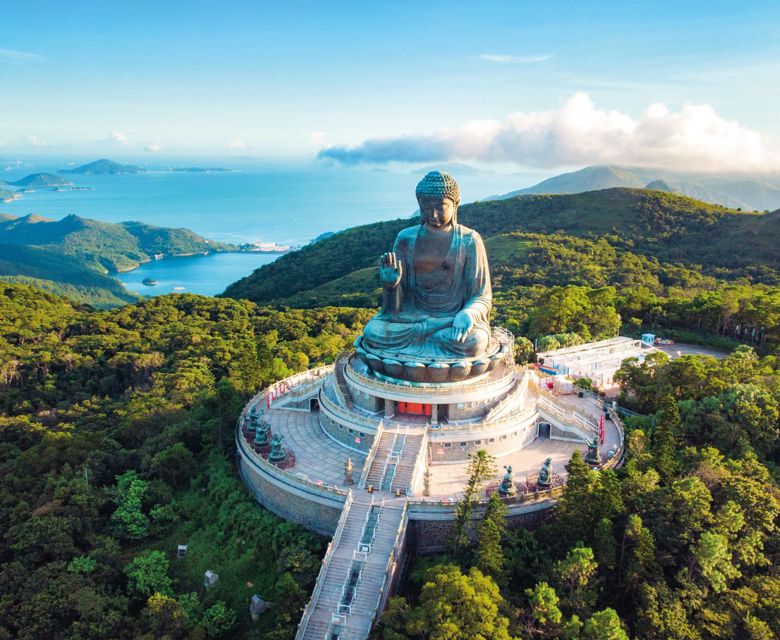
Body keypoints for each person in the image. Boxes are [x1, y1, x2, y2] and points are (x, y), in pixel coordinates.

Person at [360, 171, 493, 361]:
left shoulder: (469, 240)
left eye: (441, 207)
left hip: (452, 321)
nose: (433, 214)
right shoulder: (405, 239)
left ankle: (425, 347)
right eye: (426, 207)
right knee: (373, 332)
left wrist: (468, 314)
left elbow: (481, 296)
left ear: (455, 204)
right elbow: (393, 310)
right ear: (419, 205)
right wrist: (391, 287)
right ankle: (431, 345)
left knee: (474, 342)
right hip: (412, 321)